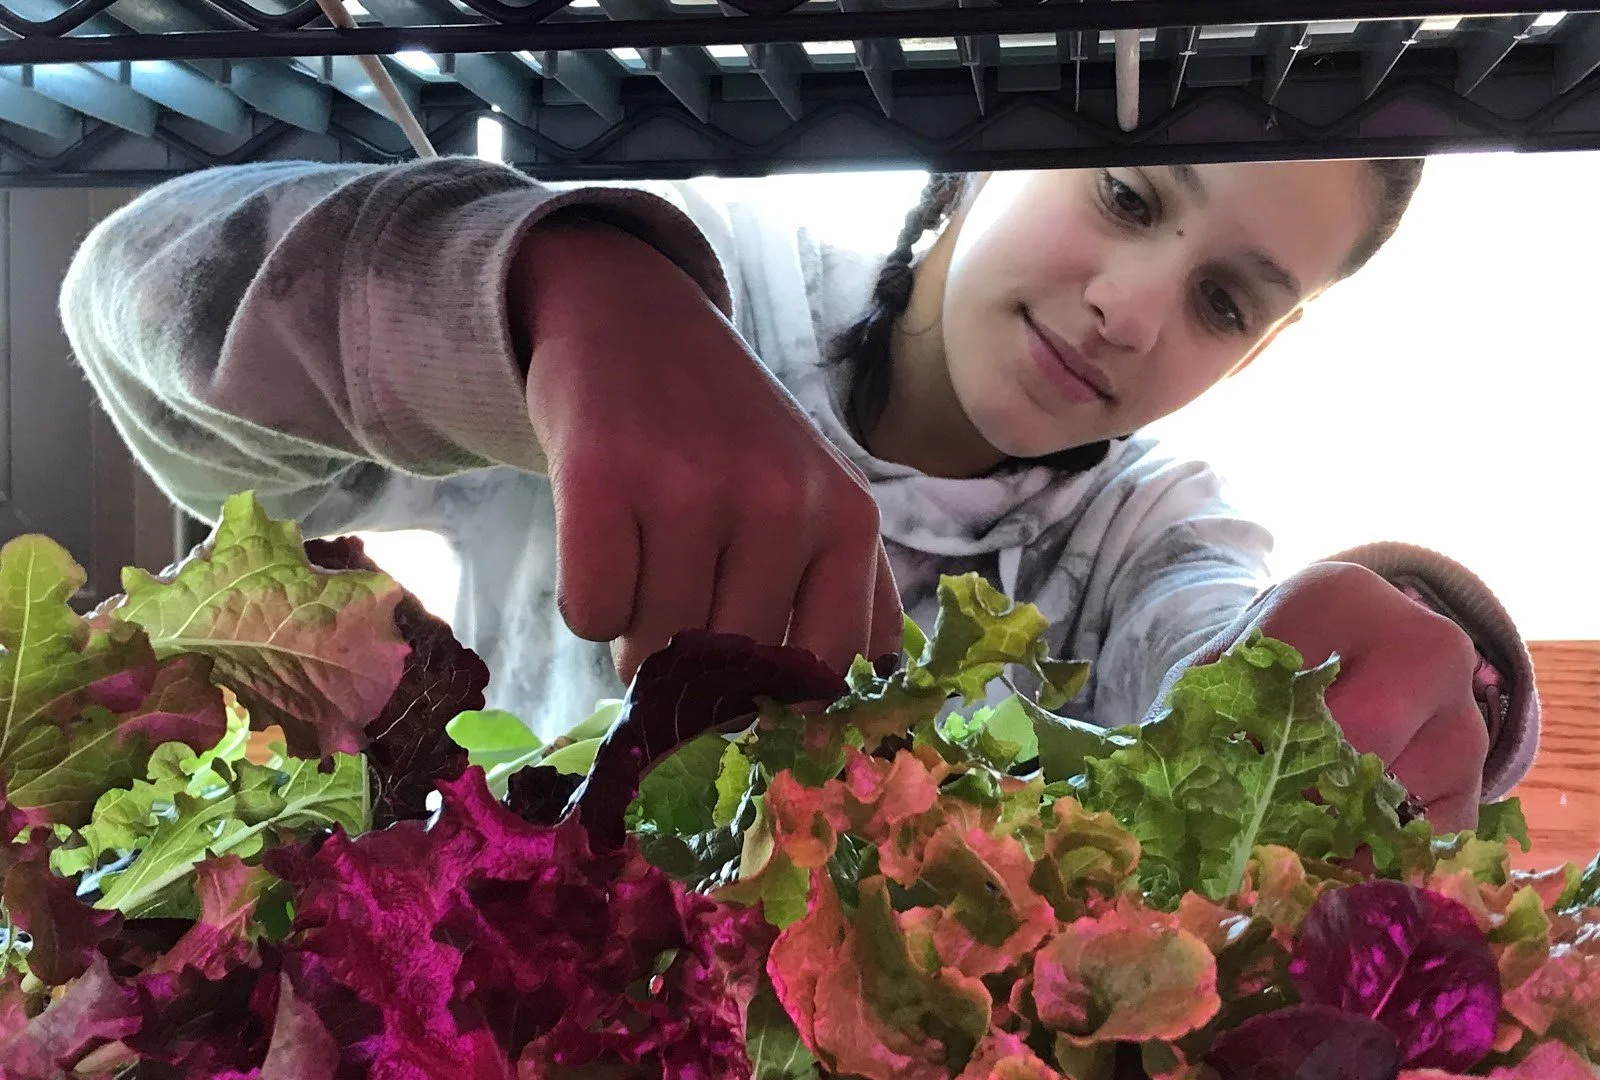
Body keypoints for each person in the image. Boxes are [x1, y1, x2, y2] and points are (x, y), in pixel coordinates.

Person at [60, 156, 1537, 832]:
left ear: (1259, 350)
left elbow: (1207, 625)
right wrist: (547, 298)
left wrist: (1373, 661)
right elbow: (136, 304)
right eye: (1128, 198)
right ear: (985, 148)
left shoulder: (1146, 527)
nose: (1132, 312)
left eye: (1224, 302)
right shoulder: (709, 280)